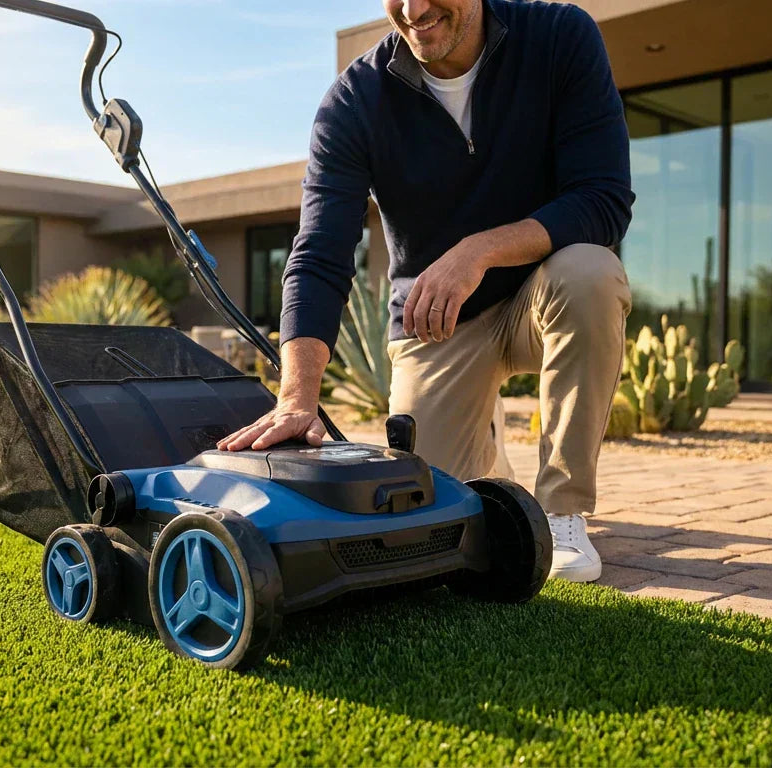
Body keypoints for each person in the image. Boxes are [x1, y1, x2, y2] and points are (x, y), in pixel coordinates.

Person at [218, 0, 633, 583]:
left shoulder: (561, 38)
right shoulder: (355, 100)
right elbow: (320, 254)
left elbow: (603, 200)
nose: (414, 10)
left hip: (546, 292)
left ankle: (562, 511)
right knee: (433, 519)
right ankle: (487, 440)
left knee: (591, 271)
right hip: (437, 322)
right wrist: (296, 397)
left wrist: (477, 251)